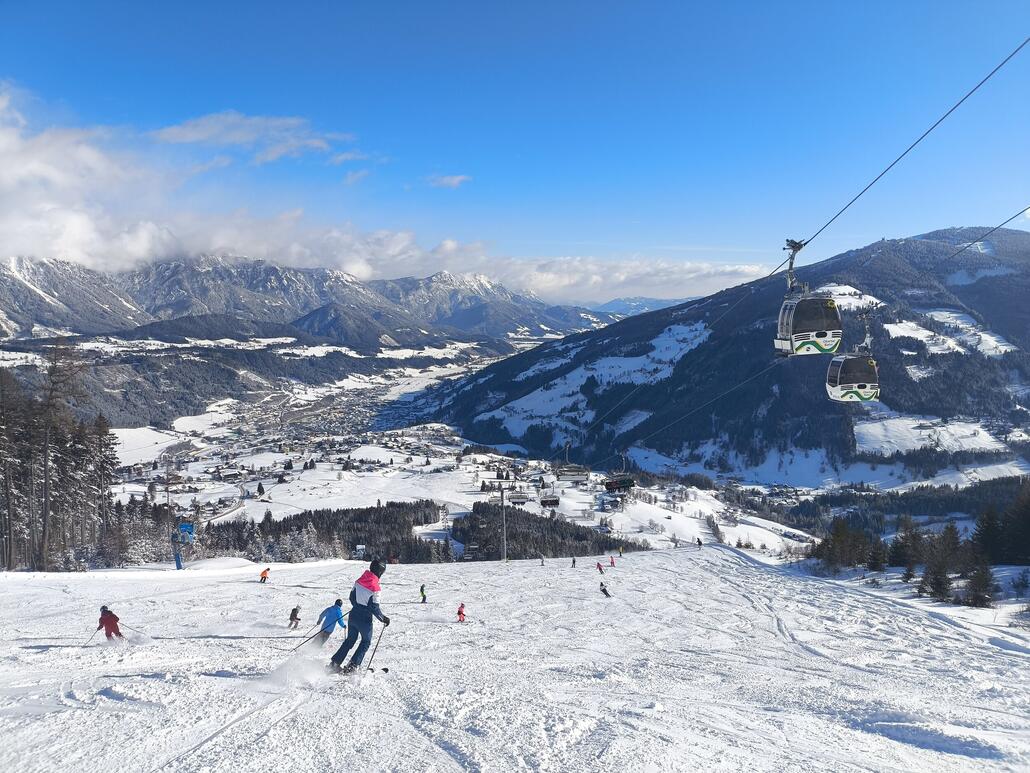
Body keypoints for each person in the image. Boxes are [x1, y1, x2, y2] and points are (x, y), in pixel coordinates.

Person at [328, 561, 390, 674]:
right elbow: (374, 608)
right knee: (365, 642)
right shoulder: (375, 587)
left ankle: (334, 664)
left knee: (350, 640)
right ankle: (352, 666)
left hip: (353, 615)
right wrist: (383, 619)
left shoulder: (359, 580)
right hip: (365, 620)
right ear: (380, 572)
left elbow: (351, 597)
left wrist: (357, 606)